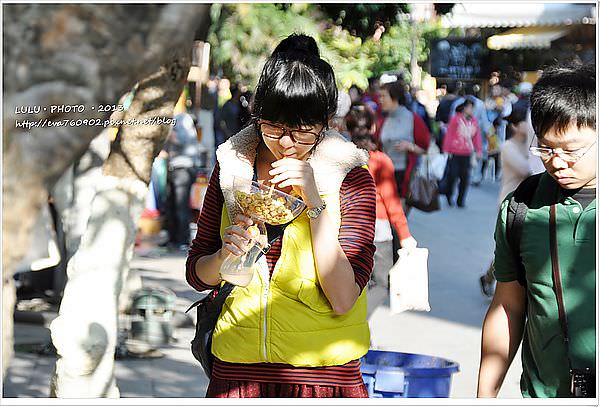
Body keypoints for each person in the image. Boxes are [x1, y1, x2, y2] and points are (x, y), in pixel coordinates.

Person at [186, 33, 377, 398]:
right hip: (237, 370)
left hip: (322, 377)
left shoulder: (351, 178)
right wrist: (226, 256)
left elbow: (342, 297)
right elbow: (197, 273)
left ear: (325, 122)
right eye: (274, 127)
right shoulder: (232, 169)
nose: (286, 143)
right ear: (257, 116)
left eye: (302, 132)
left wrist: (316, 204)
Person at [478, 62, 596, 398]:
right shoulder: (523, 204)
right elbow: (508, 306)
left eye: (572, 150)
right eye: (545, 148)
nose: (557, 162)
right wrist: (484, 396)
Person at [346, 104, 417, 318]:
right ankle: (358, 325)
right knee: (381, 284)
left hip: (347, 229)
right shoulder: (379, 160)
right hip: (377, 230)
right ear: (374, 127)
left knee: (355, 283)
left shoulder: (341, 158)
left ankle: (354, 329)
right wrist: (405, 235)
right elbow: (391, 201)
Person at [478, 108, 533, 296]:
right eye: (526, 121)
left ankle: (491, 277)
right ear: (515, 126)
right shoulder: (508, 147)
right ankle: (488, 277)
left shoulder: (530, 144)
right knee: (508, 249)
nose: (530, 124)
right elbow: (527, 170)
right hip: (510, 202)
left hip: (528, 202)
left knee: (515, 248)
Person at [379, 80, 430, 199]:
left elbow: (426, 149)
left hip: (404, 176)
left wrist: (410, 146)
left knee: (398, 215)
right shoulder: (382, 120)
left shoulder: (412, 119)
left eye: (383, 96)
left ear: (395, 97)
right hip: (384, 175)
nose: (380, 100)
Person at [161, 111, 199, 251]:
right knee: (170, 204)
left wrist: (165, 131)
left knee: (180, 206)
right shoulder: (175, 119)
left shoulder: (182, 118)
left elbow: (181, 139)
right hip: (174, 167)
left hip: (183, 168)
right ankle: (172, 239)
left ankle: (182, 240)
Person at [441, 99, 482, 207]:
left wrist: (479, 150)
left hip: (467, 153)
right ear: (464, 108)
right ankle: (449, 195)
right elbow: (449, 134)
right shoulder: (456, 119)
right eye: (469, 107)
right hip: (455, 152)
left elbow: (477, 137)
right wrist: (446, 149)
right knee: (453, 176)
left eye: (472, 108)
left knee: (465, 177)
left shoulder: (474, 121)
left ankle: (460, 200)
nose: (471, 110)